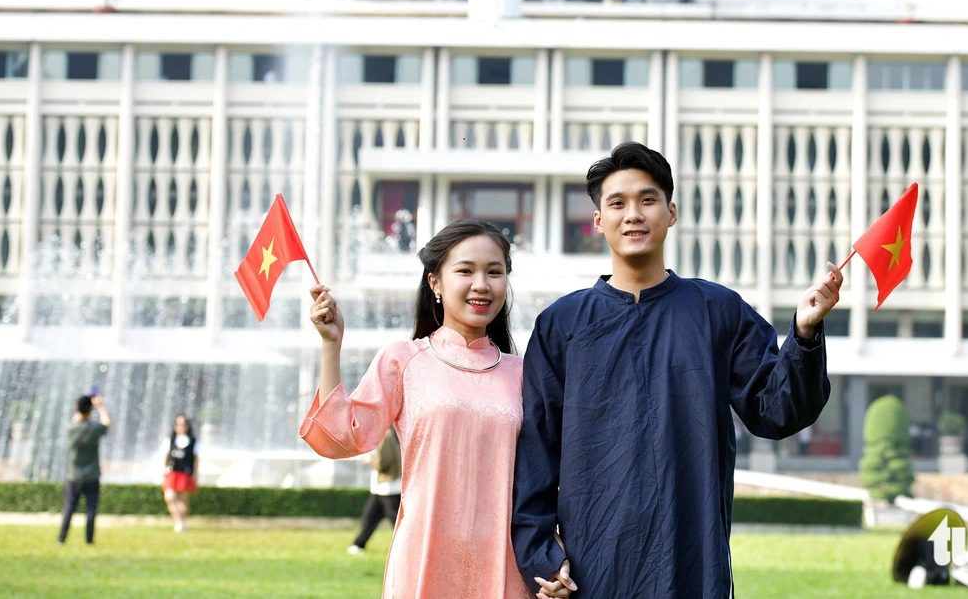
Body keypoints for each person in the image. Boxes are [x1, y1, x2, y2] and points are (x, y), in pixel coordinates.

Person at [512, 142, 842, 598]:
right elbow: (535, 455)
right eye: (618, 203)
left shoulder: (718, 311)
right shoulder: (563, 325)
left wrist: (804, 334)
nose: (633, 214)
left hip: (692, 558)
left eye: (647, 200)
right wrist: (543, 559)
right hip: (592, 568)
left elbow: (777, 410)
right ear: (597, 222)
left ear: (671, 212)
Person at [300, 219, 533, 599]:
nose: (481, 284)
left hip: (505, 563)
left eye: (495, 272)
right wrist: (332, 346)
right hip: (424, 560)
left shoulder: (524, 374)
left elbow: (546, 476)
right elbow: (341, 438)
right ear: (435, 283)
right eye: (465, 270)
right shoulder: (404, 360)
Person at [58, 393, 110, 545]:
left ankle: (61, 538)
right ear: (91, 410)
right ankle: (89, 540)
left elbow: (76, 417)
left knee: (69, 508)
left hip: (73, 475)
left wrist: (83, 406)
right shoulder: (94, 429)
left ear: (76, 408)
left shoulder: (71, 428)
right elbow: (107, 423)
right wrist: (99, 405)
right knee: (91, 510)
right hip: (92, 475)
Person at [347, 425, 402, 554]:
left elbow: (384, 462)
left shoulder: (385, 436)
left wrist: (370, 461)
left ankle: (407, 547)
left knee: (395, 521)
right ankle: (358, 544)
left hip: (388, 488)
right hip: (382, 488)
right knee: (369, 517)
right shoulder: (392, 434)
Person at [161, 413, 199, 533]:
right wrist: (163, 471)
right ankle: (179, 522)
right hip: (172, 472)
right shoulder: (170, 440)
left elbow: (196, 459)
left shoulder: (193, 441)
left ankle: (181, 523)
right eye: (178, 424)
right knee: (170, 497)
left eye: (183, 424)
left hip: (185, 472)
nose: (180, 427)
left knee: (183, 500)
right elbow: (165, 456)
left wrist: (195, 473)